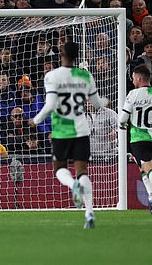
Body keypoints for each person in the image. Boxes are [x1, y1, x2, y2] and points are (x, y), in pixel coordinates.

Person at [29, 42, 109, 229]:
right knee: (83, 172)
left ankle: (73, 185)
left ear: (61, 54)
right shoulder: (85, 75)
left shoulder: (52, 76)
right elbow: (97, 105)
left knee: (59, 169)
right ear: (76, 55)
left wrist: (36, 120)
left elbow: (49, 105)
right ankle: (89, 212)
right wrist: (106, 100)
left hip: (61, 131)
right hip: (81, 130)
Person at [118, 65, 152, 213]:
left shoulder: (133, 94)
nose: (132, 81)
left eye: (133, 78)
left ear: (138, 79)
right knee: (142, 169)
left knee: (148, 167)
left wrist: (121, 124)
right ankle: (150, 196)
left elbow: (124, 117)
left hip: (139, 138)